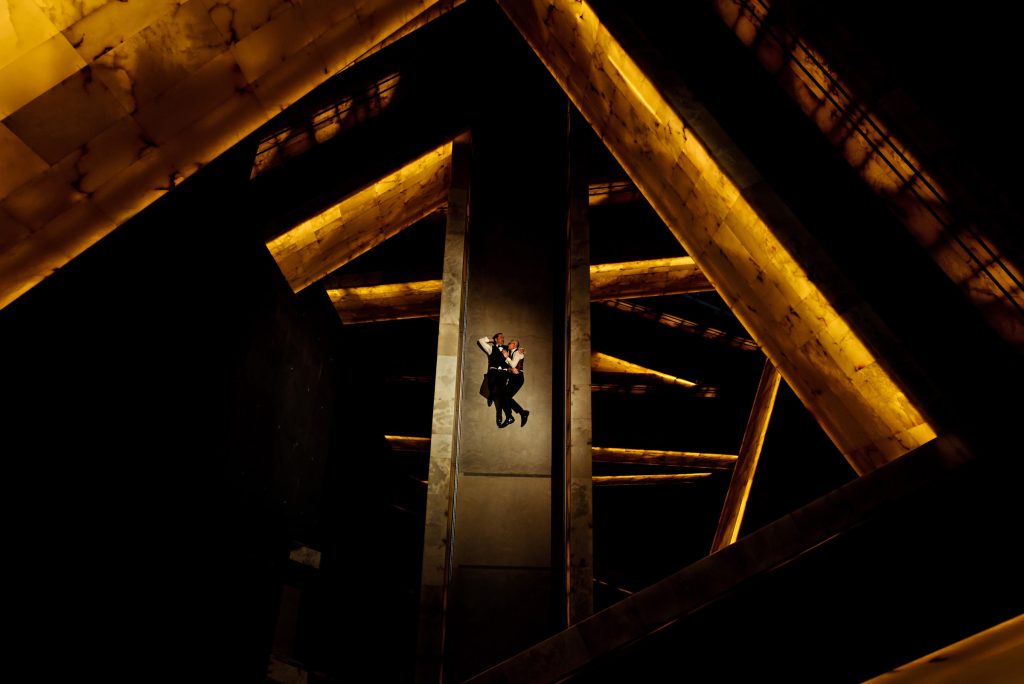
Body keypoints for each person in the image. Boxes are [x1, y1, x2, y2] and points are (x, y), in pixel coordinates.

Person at [478, 333, 510, 427]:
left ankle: (499, 415)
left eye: (503, 337)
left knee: (499, 396)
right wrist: (492, 340)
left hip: (503, 373)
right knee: (491, 386)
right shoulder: (491, 348)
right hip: (493, 371)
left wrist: (507, 356)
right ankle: (490, 395)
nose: (503, 338)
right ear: (496, 339)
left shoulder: (507, 348)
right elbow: (480, 341)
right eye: (500, 337)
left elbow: (514, 359)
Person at [501, 339, 530, 428]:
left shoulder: (518, 352)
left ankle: (512, 416)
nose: (508, 344)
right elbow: (510, 368)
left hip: (517, 378)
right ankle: (520, 413)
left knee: (505, 396)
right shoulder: (512, 353)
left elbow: (513, 364)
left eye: (510, 343)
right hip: (513, 378)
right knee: (504, 396)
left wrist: (506, 357)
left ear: (514, 345)